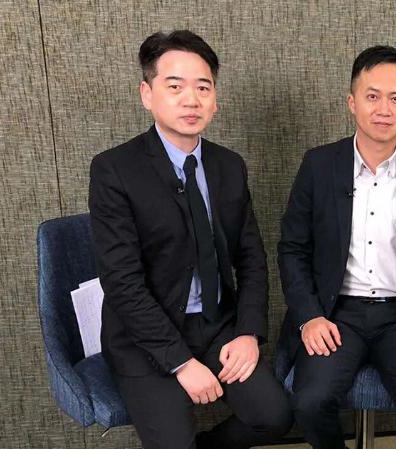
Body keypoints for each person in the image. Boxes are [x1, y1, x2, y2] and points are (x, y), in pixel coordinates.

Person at [88, 30, 292, 449]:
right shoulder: (114, 170)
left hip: (216, 326)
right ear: (147, 94)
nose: (191, 100)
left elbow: (251, 258)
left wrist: (248, 333)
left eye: (203, 87)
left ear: (215, 99)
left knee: (275, 416)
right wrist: (180, 361)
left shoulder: (228, 166)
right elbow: (122, 283)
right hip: (146, 337)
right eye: (175, 86)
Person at [277, 45, 396, 449]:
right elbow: (292, 250)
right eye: (372, 96)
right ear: (352, 102)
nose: (384, 109)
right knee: (310, 400)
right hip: (336, 314)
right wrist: (309, 317)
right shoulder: (319, 165)